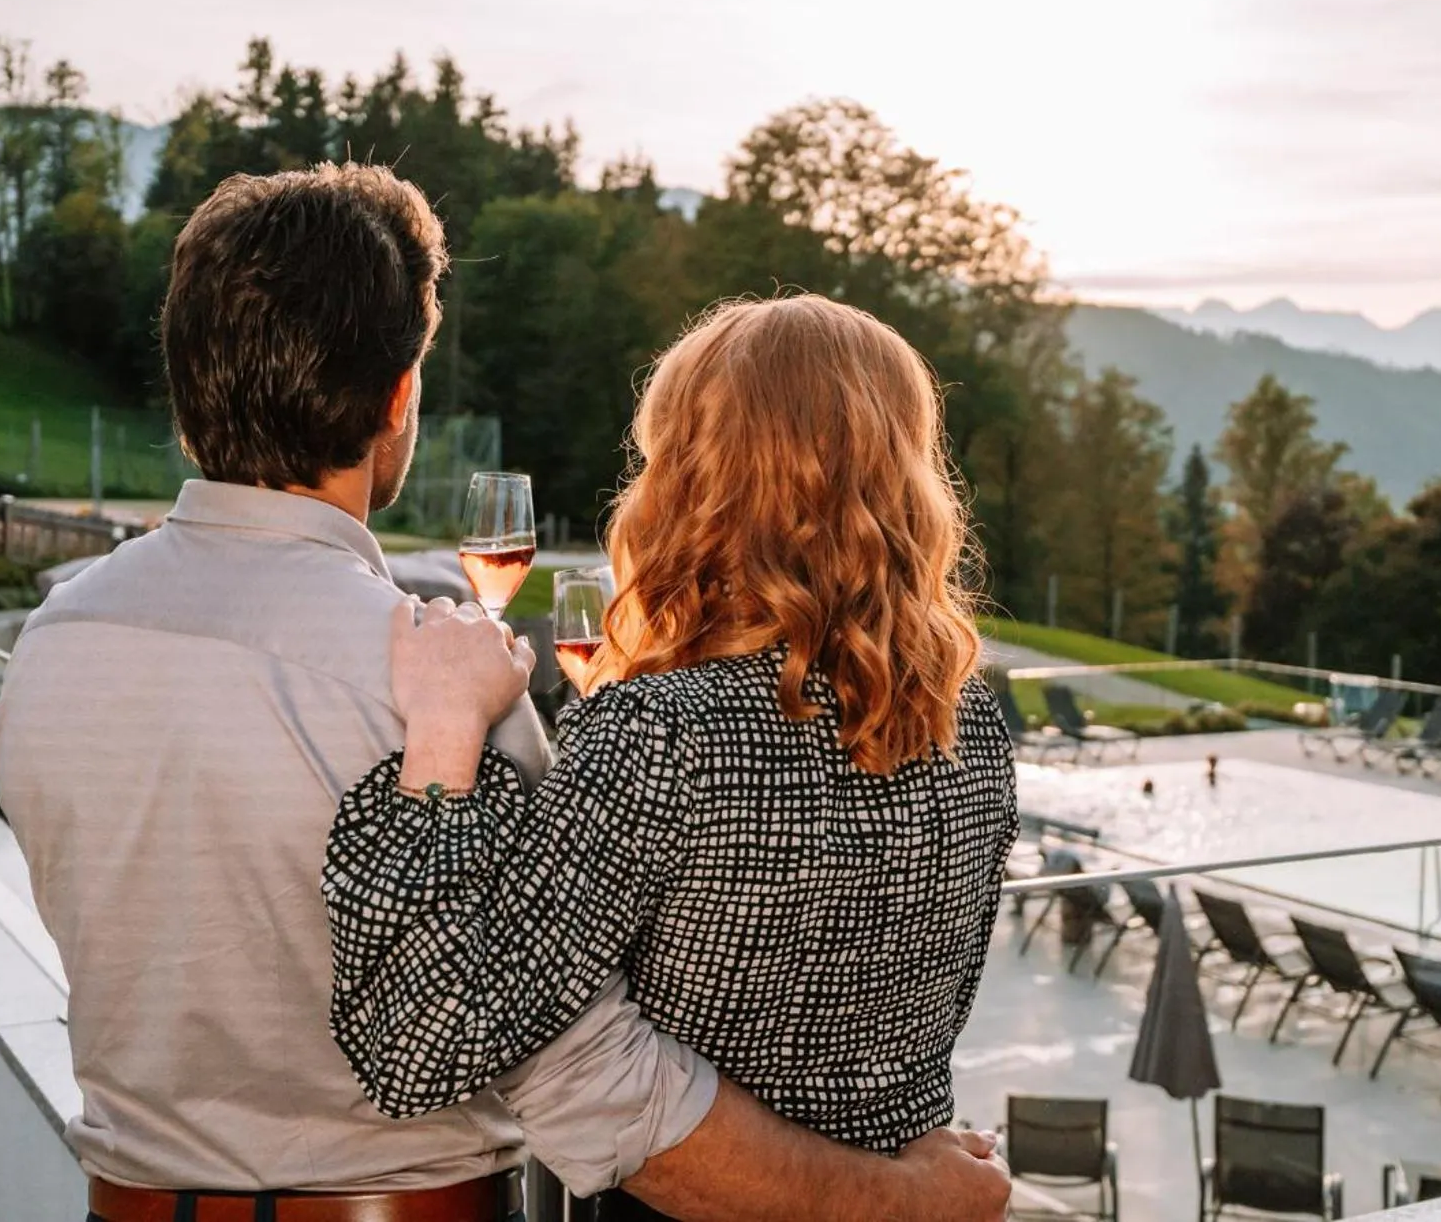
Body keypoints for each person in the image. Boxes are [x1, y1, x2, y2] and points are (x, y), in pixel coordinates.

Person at [0, 167, 1013, 1222]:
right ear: (397, 397)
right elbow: (579, 1076)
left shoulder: (52, 642)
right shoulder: (437, 678)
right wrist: (904, 1196)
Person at [324, 295, 1022, 1222]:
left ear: (695, 479)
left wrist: (446, 737)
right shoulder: (971, 724)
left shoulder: (659, 732)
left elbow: (427, 1039)